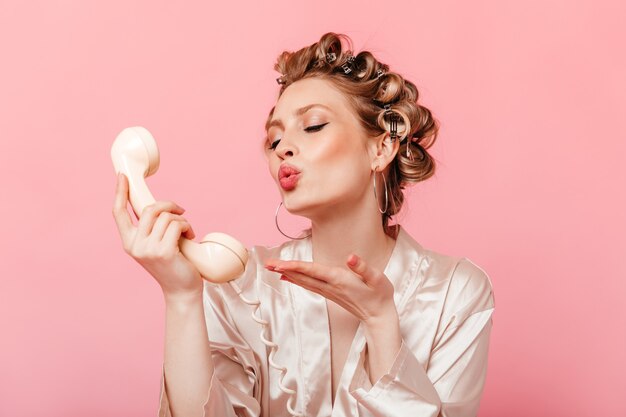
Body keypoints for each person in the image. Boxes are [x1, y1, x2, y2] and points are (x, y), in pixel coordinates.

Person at [112, 32, 496, 417]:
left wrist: (381, 324)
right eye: (274, 138)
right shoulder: (240, 286)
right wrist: (181, 297)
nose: (282, 148)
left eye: (312, 126)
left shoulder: (456, 293)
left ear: (381, 148)